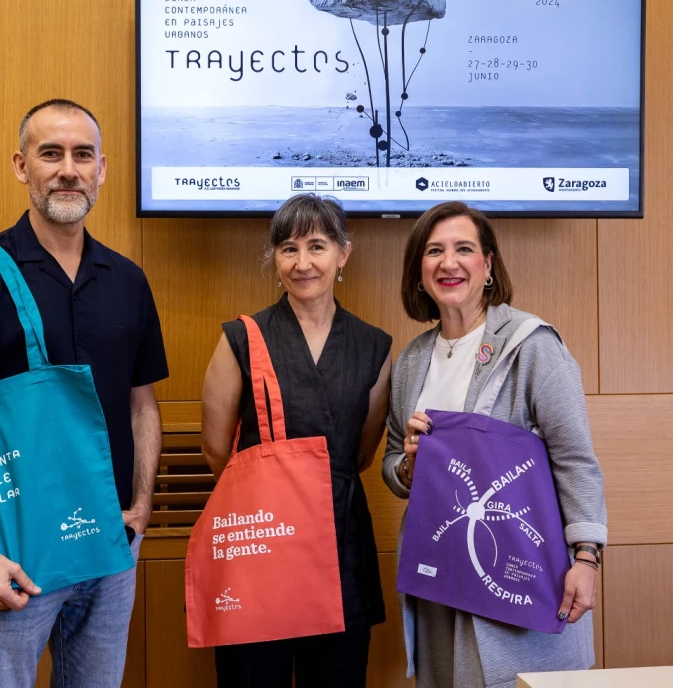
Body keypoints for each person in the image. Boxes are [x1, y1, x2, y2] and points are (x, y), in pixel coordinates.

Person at [0, 99, 168, 687]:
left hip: (110, 550)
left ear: (102, 169)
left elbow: (142, 405)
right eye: (50, 153)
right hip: (13, 554)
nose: (68, 169)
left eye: (82, 155)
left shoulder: (128, 281)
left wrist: (141, 504)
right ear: (20, 165)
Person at [382, 201, 607, 688]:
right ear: (418, 272)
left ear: (487, 265)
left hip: (515, 570)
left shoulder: (532, 344)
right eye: (434, 251)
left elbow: (575, 460)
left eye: (464, 248)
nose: (449, 262)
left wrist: (587, 558)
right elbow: (394, 461)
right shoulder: (411, 361)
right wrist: (409, 467)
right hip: (439, 572)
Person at [201, 193, 392, 688]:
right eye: (288, 249)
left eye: (317, 246)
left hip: (340, 544)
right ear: (275, 259)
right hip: (259, 543)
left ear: (343, 253)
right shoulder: (240, 338)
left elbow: (362, 450)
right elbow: (217, 450)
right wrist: (273, 497)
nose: (302, 263)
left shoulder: (375, 346)